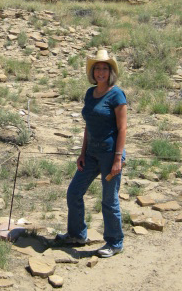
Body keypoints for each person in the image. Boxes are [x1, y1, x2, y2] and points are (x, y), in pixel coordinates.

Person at [57, 49, 127, 258]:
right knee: (74, 192)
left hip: (109, 154)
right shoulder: (90, 93)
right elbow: (88, 126)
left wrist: (117, 159)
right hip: (91, 154)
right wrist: (82, 152)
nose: (100, 72)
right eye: (97, 68)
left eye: (104, 68)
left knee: (108, 199)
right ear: (93, 72)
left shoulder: (117, 94)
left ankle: (115, 242)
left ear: (110, 71)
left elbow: (122, 128)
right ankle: (77, 234)